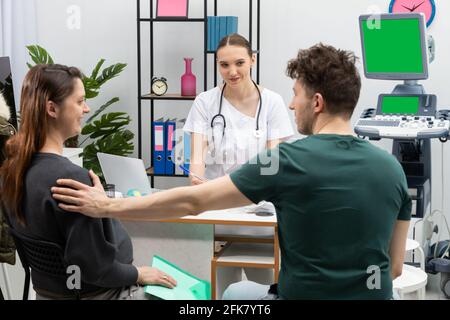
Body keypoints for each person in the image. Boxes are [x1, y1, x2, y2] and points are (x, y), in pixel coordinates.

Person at [51, 44, 411, 299]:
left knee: (232, 293)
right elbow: (394, 269)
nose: (290, 103)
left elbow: (193, 202)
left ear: (317, 102)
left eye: (297, 94)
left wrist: (106, 206)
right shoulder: (393, 170)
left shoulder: (287, 160)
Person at [0, 64, 176, 300]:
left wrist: (102, 206)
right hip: (101, 294)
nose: (86, 108)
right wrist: (138, 274)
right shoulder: (71, 180)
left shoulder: (12, 170)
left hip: (48, 294)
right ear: (52, 108)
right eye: (80, 101)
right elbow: (95, 270)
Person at [183, 33, 294, 292]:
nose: (232, 72)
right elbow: (197, 157)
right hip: (216, 210)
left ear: (253, 60)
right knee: (218, 288)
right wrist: (196, 180)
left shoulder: (272, 103)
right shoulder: (205, 102)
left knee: (265, 289)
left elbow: (271, 166)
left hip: (259, 211)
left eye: (239, 63)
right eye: (224, 65)